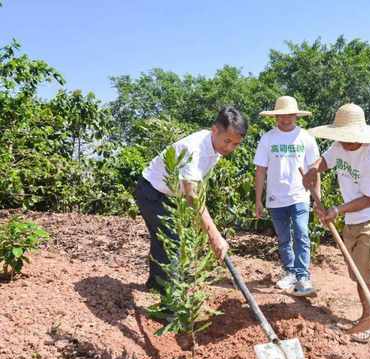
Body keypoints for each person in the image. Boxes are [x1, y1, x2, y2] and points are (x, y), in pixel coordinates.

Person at [303, 103, 370, 343]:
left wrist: (337, 210)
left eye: (346, 136)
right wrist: (313, 170)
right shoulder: (340, 145)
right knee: (360, 270)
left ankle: (368, 319)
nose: (342, 140)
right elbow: (325, 160)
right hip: (354, 217)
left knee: (365, 273)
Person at [134, 107, 247, 292]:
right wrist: (215, 236)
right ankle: (170, 301)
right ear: (214, 130)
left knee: (165, 240)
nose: (229, 148)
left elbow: (197, 188)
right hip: (151, 192)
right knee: (171, 242)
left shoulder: (215, 146)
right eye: (227, 141)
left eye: (235, 144)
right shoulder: (193, 149)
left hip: (170, 194)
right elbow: (192, 196)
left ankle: (156, 285)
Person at [254, 96, 320, 296]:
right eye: (282, 115)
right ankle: (289, 272)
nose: (286, 119)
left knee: (302, 233)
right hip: (275, 197)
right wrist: (258, 200)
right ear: (276, 117)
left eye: (290, 115)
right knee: (283, 238)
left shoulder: (306, 138)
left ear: (296, 116)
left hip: (300, 195)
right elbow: (260, 170)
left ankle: (303, 276)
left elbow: (315, 170)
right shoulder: (268, 138)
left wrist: (318, 199)